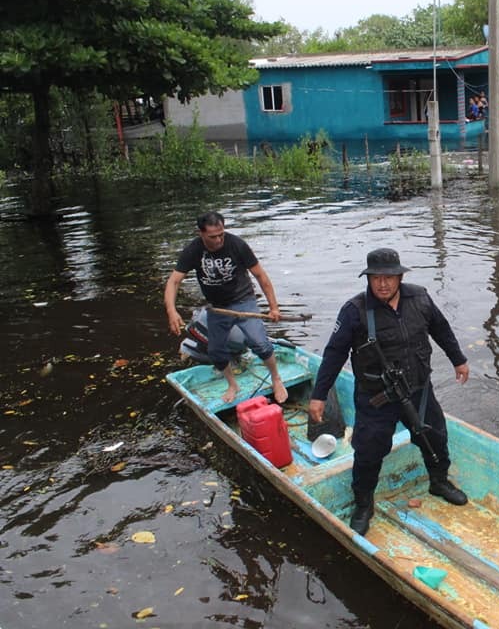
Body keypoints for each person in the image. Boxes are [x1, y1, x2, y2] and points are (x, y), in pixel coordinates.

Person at [308, 248, 470, 536]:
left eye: (389, 277)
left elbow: (441, 329)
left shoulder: (419, 298)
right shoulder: (354, 311)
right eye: (376, 278)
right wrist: (319, 395)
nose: (383, 284)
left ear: (400, 276)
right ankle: (363, 504)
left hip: (419, 389)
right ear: (368, 279)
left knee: (435, 436)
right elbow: (334, 354)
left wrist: (459, 360)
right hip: (375, 398)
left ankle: (439, 481)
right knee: (369, 452)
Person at [164, 211, 288, 404]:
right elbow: (173, 282)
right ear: (201, 233)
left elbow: (261, 277)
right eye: (213, 236)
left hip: (244, 301)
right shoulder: (193, 250)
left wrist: (274, 308)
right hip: (218, 308)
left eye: (221, 234)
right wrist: (172, 311)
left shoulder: (237, 245)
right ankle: (232, 384)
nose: (219, 239)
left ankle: (276, 378)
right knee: (215, 351)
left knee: (259, 342)